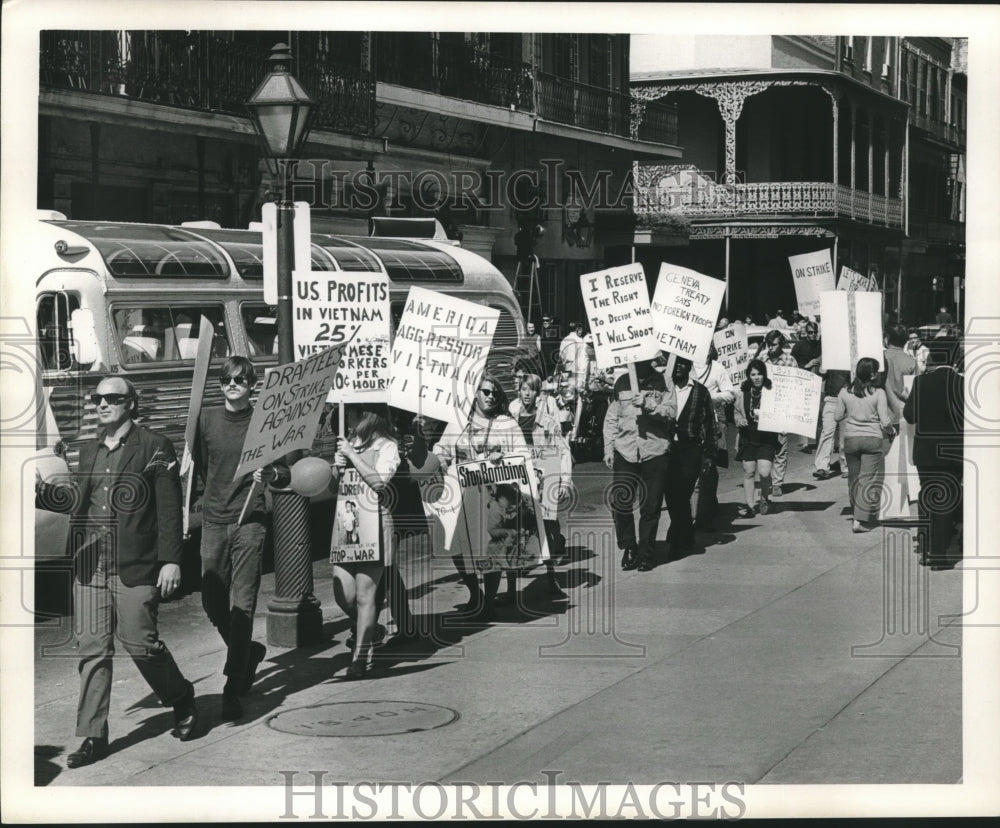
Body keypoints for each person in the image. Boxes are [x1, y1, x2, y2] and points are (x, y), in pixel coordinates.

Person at [35, 376, 197, 768]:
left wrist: (171, 559)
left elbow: (169, 508)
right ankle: (93, 734)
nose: (102, 404)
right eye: (98, 399)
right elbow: (81, 500)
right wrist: (43, 492)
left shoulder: (155, 447)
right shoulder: (88, 451)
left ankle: (180, 696)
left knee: (141, 643)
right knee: (92, 649)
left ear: (131, 404)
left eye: (112, 398)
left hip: (136, 563)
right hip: (90, 564)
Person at [192, 356, 269, 722]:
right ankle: (248, 652)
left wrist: (271, 473)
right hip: (214, 519)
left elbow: (285, 470)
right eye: (226, 379)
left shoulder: (264, 422)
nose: (232, 383)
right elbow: (201, 466)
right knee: (212, 601)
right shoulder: (206, 419)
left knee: (243, 605)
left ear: (252, 384)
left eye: (240, 379)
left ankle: (231, 686)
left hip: (249, 521)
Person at [433, 373, 530, 620]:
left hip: (492, 498)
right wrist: (442, 459)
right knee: (455, 548)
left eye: (495, 393)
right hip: (460, 496)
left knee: (490, 549)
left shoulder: (506, 424)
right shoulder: (458, 423)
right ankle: (475, 594)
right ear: (475, 394)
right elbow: (440, 449)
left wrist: (503, 459)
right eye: (485, 392)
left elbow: (523, 456)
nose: (490, 397)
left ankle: (488, 602)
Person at [329, 404, 401, 679]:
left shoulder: (387, 446)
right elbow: (334, 488)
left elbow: (380, 483)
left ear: (366, 415)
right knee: (344, 594)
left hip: (374, 523)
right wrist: (337, 468)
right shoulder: (348, 444)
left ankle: (359, 657)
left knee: (364, 594)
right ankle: (370, 628)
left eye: (351, 413)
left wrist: (351, 455)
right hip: (347, 524)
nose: (346, 418)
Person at [603, 359, 678, 572]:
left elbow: (671, 413)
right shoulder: (621, 382)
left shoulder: (665, 381)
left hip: (654, 450)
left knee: (651, 506)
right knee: (620, 502)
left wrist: (648, 405)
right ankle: (629, 547)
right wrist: (608, 448)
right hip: (625, 450)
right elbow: (612, 418)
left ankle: (646, 553)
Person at [504, 372, 573, 599]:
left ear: (538, 393)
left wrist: (564, 480)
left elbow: (562, 450)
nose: (527, 393)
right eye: (524, 388)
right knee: (514, 531)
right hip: (517, 479)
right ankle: (512, 589)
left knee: (548, 530)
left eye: (532, 389)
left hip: (543, 479)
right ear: (519, 390)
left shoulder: (547, 420)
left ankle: (551, 577)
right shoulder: (509, 418)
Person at [903, 341, 964, 569]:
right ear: (954, 359)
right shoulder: (962, 385)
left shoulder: (920, 383)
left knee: (927, 497)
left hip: (925, 451)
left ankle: (926, 548)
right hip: (953, 453)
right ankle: (939, 554)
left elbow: (909, 416)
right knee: (946, 500)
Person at [663, 357, 716, 555]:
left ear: (689, 366)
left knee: (683, 493)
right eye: (674, 364)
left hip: (690, 449)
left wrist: (709, 454)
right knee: (671, 493)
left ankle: (679, 540)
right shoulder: (664, 388)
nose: (678, 368)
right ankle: (683, 533)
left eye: (682, 364)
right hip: (667, 449)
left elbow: (709, 423)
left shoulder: (700, 391)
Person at [835, 357, 894, 533]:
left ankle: (855, 508)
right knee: (867, 479)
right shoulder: (878, 393)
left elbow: (837, 417)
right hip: (872, 439)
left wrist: (851, 414)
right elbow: (884, 421)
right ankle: (859, 520)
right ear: (873, 374)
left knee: (853, 477)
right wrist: (891, 432)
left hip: (851, 439)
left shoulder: (844, 391)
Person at [691, 345, 736, 530]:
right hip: (690, 423)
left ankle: (705, 509)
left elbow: (730, 393)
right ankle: (694, 515)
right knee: (693, 469)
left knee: (709, 466)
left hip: (712, 423)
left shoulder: (717, 368)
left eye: (707, 345)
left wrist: (709, 397)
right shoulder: (685, 366)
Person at [733, 360, 780, 517]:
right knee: (748, 471)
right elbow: (737, 412)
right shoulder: (741, 393)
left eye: (759, 374)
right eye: (753, 374)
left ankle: (765, 498)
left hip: (766, 438)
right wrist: (739, 420)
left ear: (764, 374)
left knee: (765, 472)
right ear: (748, 376)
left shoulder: (772, 391)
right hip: (748, 437)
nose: (757, 377)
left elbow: (781, 412)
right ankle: (750, 505)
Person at [756, 329, 797, 496]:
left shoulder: (790, 360)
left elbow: (796, 385)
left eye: (773, 344)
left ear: (781, 344)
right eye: (767, 344)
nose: (770, 347)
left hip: (781, 408)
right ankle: (766, 480)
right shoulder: (761, 359)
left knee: (780, 447)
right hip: (763, 409)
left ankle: (778, 482)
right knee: (764, 446)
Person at [813, 367, 851, 480]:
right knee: (827, 433)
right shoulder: (830, 355)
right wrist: (821, 370)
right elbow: (819, 377)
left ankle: (846, 466)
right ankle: (822, 467)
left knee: (845, 436)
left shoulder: (853, 354)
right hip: (831, 399)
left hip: (848, 399)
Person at [882, 325, 916, 426]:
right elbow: (913, 393)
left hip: (881, 414)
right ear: (906, 341)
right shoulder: (911, 361)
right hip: (903, 414)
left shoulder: (880, 358)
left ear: (887, 339)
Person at [557, 320, 590, 391]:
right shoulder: (582, 340)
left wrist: (564, 363)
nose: (580, 331)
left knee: (569, 387)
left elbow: (561, 355)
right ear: (576, 329)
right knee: (579, 387)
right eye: (579, 329)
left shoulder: (565, 339)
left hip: (568, 366)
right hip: (579, 366)